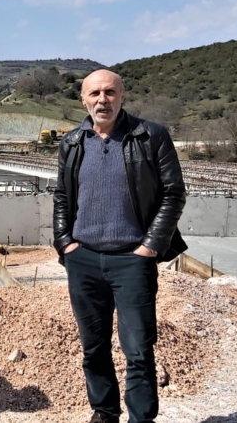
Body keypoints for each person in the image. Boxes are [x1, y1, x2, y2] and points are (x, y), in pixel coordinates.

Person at [53, 69, 187, 423]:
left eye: (110, 92)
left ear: (122, 96)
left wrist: (150, 246)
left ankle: (141, 418)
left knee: (139, 349)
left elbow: (173, 194)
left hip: (132, 259)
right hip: (83, 259)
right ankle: (104, 412)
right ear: (83, 100)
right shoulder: (72, 142)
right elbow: (62, 197)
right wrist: (65, 243)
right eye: (94, 93)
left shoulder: (151, 136)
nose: (102, 100)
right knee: (93, 347)